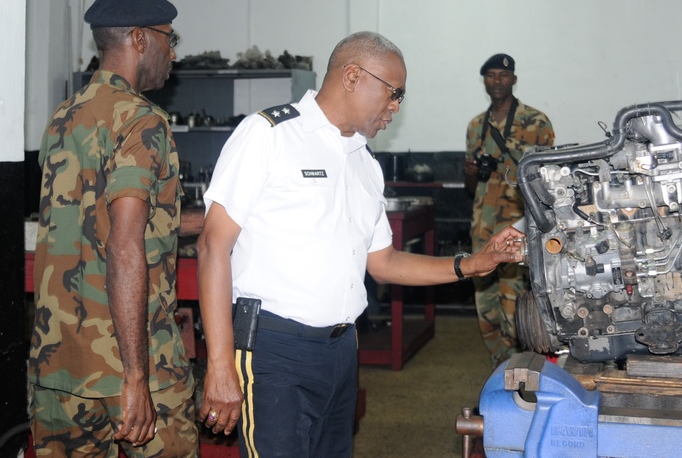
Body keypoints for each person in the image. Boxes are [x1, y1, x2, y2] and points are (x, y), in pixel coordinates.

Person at [196, 31, 525, 457]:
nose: (395, 108)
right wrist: (221, 366)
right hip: (275, 353)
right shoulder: (270, 135)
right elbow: (212, 247)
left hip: (340, 353)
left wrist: (473, 264)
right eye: (393, 93)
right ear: (352, 75)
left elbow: (384, 263)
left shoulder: (364, 164)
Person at [28, 0, 204, 457]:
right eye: (170, 39)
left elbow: (103, 223)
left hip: (59, 365)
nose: (174, 52)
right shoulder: (142, 120)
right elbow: (125, 246)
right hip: (129, 365)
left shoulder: (63, 119)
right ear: (141, 39)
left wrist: (209, 222)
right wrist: (136, 376)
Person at [464, 53, 554, 368]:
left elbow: (550, 178)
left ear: (513, 79)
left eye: (503, 75)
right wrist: (470, 169)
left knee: (516, 298)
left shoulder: (537, 122)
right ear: (484, 81)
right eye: (490, 75)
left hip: (520, 225)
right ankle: (498, 361)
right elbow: (470, 186)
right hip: (484, 225)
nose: (497, 81)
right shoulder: (476, 125)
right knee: (486, 300)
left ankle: (520, 364)